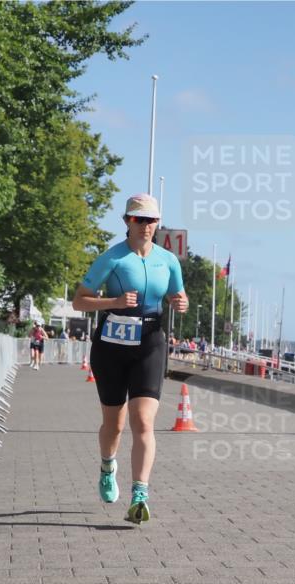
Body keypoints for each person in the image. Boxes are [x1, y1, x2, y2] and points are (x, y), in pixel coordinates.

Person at [72, 193, 188, 524]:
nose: (147, 226)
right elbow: (79, 301)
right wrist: (114, 302)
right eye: (140, 219)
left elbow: (179, 295)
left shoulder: (168, 260)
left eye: (152, 220)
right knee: (115, 423)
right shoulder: (112, 258)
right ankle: (108, 466)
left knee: (143, 420)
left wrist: (182, 304)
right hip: (111, 346)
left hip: (150, 342)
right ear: (127, 221)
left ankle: (140, 494)